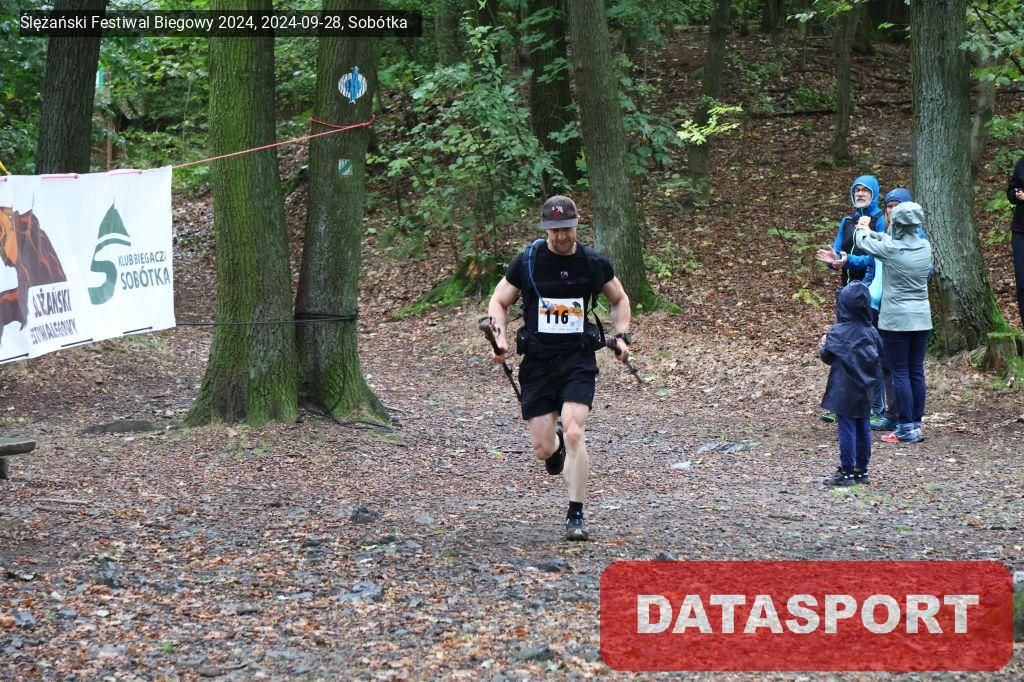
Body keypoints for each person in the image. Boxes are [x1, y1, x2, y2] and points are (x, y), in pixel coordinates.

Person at [486, 195, 631, 541]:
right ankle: (557, 446)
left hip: (577, 359)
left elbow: (620, 299)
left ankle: (575, 514)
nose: (561, 236)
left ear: (576, 225)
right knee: (543, 448)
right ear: (545, 229)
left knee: (576, 430)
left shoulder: (591, 262)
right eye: (555, 230)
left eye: (567, 228)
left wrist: (622, 336)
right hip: (538, 362)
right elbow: (499, 301)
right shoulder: (529, 260)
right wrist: (499, 338)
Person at [853, 202, 932, 444]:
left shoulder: (891, 249)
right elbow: (887, 240)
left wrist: (862, 227)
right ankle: (915, 423)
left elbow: (862, 242)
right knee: (916, 370)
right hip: (921, 318)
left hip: (896, 320)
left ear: (896, 223)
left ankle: (905, 427)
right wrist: (876, 233)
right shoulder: (924, 246)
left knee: (899, 371)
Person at [814, 175, 886, 423]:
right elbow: (837, 253)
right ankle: (841, 404)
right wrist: (834, 261)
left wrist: (849, 261)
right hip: (846, 295)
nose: (860, 194)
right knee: (843, 349)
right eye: (857, 190)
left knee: (868, 351)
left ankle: (874, 407)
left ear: (874, 194)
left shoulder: (880, 220)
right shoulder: (847, 221)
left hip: (870, 294)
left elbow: (878, 256)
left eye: (866, 190)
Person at [819, 281, 883, 486]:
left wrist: (823, 346)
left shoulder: (837, 332)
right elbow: (880, 355)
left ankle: (847, 471)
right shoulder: (871, 331)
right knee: (863, 425)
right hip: (866, 388)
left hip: (843, 389)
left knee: (847, 427)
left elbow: (827, 357)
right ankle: (861, 469)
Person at [1006, 154, 1024, 327]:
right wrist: (1016, 194)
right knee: (1022, 280)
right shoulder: (1021, 163)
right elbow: (1011, 192)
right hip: (1020, 230)